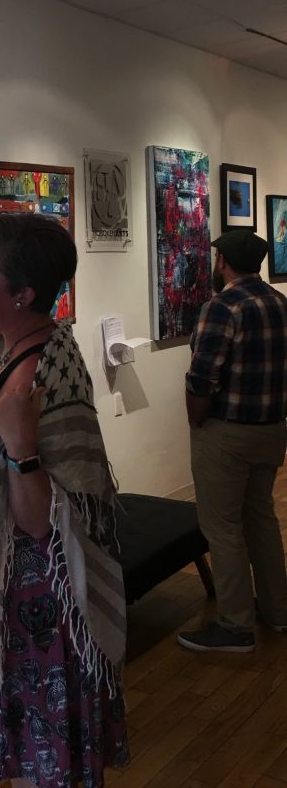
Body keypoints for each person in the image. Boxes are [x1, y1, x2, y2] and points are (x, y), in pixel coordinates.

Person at [0, 213, 129, 787]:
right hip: (14, 588)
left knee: (39, 752)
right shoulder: (32, 348)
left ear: (23, 293)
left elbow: (43, 522)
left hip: (30, 600)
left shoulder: (42, 373)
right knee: (25, 752)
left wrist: (19, 447)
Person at [179, 229, 287, 652]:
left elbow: (202, 376)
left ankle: (235, 625)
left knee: (222, 527)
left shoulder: (222, 306)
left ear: (223, 260)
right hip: (271, 428)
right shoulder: (278, 303)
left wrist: (195, 422)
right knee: (260, 517)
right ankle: (278, 612)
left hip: (228, 431)